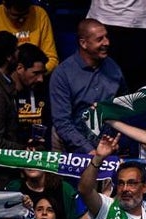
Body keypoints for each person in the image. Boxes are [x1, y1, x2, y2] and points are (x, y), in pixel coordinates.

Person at [49, 18, 125, 154]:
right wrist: (89, 151)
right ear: (83, 43)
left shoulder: (113, 68)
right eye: (100, 39)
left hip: (108, 145)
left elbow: (124, 107)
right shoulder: (62, 74)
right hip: (73, 148)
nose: (107, 43)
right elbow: (62, 122)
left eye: (106, 37)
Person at [0, 0, 58, 72]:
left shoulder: (39, 14)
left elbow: (52, 58)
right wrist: (7, 78)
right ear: (5, 7)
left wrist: (36, 73)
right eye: (15, 16)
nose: (21, 20)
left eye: (25, 15)